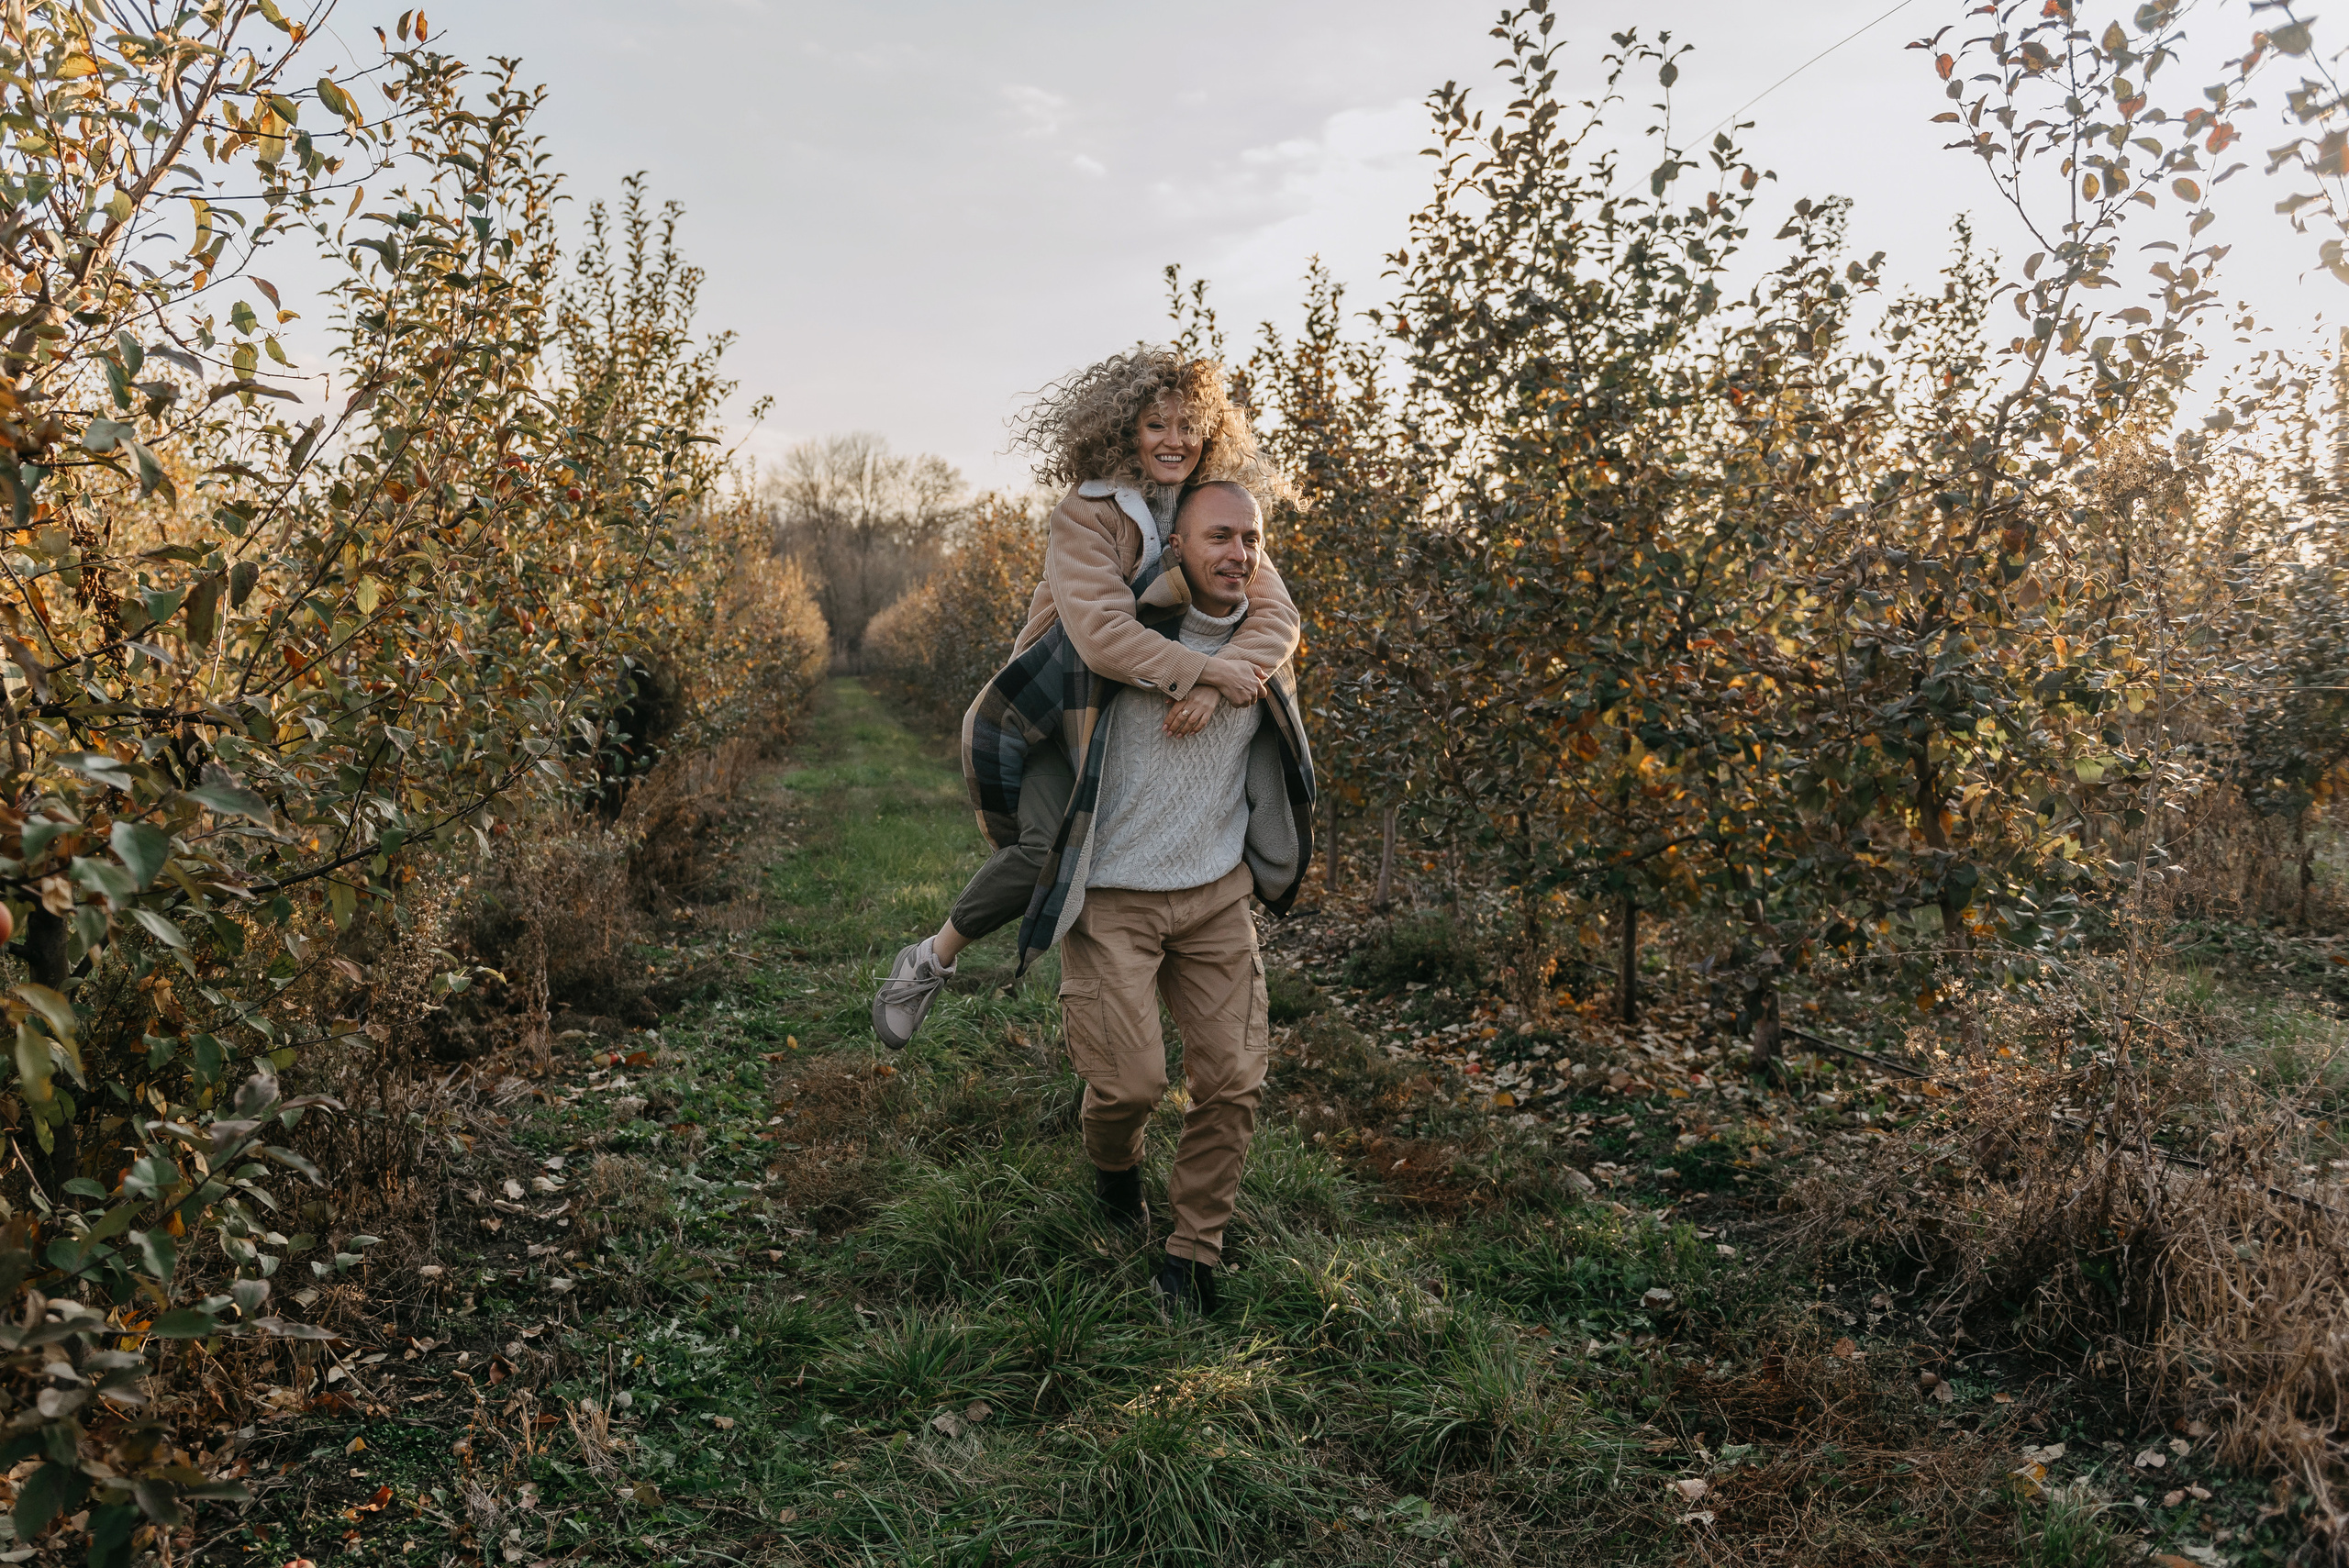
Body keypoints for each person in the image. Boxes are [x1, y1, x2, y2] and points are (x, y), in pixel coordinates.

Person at [871, 346, 1300, 1049]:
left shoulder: (1214, 513)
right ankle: (930, 959)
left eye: (1189, 425)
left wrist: (1225, 687)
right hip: (1056, 708)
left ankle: (1119, 1066)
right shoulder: (1089, 512)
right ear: (1123, 430)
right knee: (1047, 848)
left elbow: (1277, 616)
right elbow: (1102, 636)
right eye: (1156, 425)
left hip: (1132, 716)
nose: (1175, 440)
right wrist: (1202, 670)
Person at [1048, 480, 1316, 1315]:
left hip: (1213, 896)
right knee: (1129, 1084)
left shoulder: (1268, 647)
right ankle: (1115, 1168)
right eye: (1219, 537)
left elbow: (1277, 666)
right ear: (1176, 548)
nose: (1239, 553)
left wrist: (1225, 676)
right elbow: (1082, 647)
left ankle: (1193, 1248)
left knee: (1233, 1077)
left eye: (1253, 538)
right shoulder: (1127, 638)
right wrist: (1195, 676)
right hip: (1115, 898)